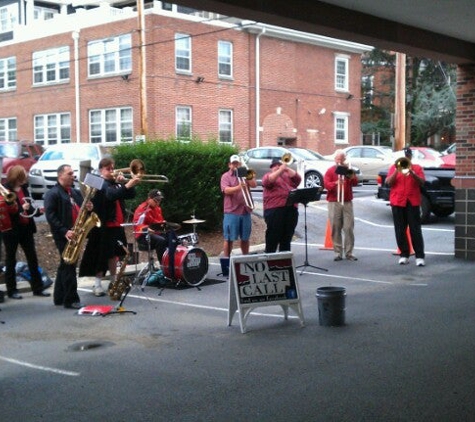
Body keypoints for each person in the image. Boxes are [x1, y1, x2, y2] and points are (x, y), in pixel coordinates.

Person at [79, 157, 139, 296]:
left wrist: (125, 183)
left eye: (112, 168)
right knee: (101, 256)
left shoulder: (115, 184)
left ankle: (113, 281)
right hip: (103, 225)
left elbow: (131, 194)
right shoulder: (99, 182)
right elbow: (110, 195)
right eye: (108, 169)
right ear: (101, 170)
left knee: (114, 255)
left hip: (116, 225)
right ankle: (97, 284)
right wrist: (126, 185)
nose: (111, 171)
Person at [44, 164, 92, 309]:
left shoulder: (75, 192)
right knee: (69, 265)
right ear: (60, 176)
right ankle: (71, 299)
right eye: (70, 173)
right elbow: (51, 216)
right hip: (64, 235)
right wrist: (64, 231)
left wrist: (89, 209)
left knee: (65, 264)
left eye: (73, 173)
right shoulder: (52, 193)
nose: (73, 176)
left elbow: (82, 210)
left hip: (75, 232)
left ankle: (59, 297)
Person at [1, 165, 50, 299]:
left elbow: (27, 207)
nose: (26, 176)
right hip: (12, 229)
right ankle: (12, 290)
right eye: (23, 174)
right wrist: (21, 208)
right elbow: (6, 211)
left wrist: (36, 211)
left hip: (26, 228)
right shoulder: (6, 190)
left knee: (32, 257)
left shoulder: (23, 188)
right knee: (11, 259)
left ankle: (38, 287)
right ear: (18, 176)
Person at [385, 147, 426, 266]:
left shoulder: (417, 168)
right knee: (400, 230)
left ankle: (419, 256)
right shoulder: (393, 168)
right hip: (398, 201)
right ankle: (404, 254)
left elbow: (422, 182)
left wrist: (412, 173)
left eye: (408, 156)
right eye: (404, 156)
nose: (406, 158)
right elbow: (388, 182)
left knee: (415, 229)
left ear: (410, 157)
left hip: (412, 201)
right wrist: (397, 171)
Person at [324, 149, 359, 262]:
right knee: (336, 227)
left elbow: (355, 182)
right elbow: (326, 184)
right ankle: (338, 252)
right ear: (335, 159)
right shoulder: (330, 171)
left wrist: (350, 173)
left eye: (342, 159)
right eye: (338, 159)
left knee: (348, 227)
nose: (340, 161)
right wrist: (335, 183)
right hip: (334, 202)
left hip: (347, 201)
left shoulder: (348, 169)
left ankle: (349, 253)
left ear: (344, 159)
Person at [220, 154, 257, 257]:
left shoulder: (244, 173)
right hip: (231, 212)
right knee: (229, 239)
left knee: (245, 238)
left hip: (245, 210)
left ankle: (245, 259)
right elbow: (226, 190)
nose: (235, 165)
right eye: (233, 163)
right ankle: (226, 262)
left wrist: (246, 173)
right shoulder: (225, 176)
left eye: (237, 163)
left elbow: (254, 184)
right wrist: (239, 187)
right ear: (229, 165)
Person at [262, 157, 301, 253]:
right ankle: (270, 259)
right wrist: (280, 170)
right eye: (274, 166)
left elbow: (298, 179)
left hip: (290, 209)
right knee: (273, 237)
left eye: (278, 165)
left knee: (287, 237)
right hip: (274, 210)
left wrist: (286, 168)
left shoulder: (288, 176)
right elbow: (268, 181)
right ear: (271, 168)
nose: (277, 167)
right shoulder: (268, 175)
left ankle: (285, 260)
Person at [133, 189, 169, 263]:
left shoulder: (158, 209)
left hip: (156, 233)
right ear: (149, 198)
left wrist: (164, 224)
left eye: (159, 200)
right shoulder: (142, 209)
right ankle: (163, 265)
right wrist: (146, 228)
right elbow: (137, 224)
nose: (158, 202)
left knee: (172, 237)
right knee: (161, 241)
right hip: (143, 235)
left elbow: (159, 223)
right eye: (156, 200)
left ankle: (172, 262)